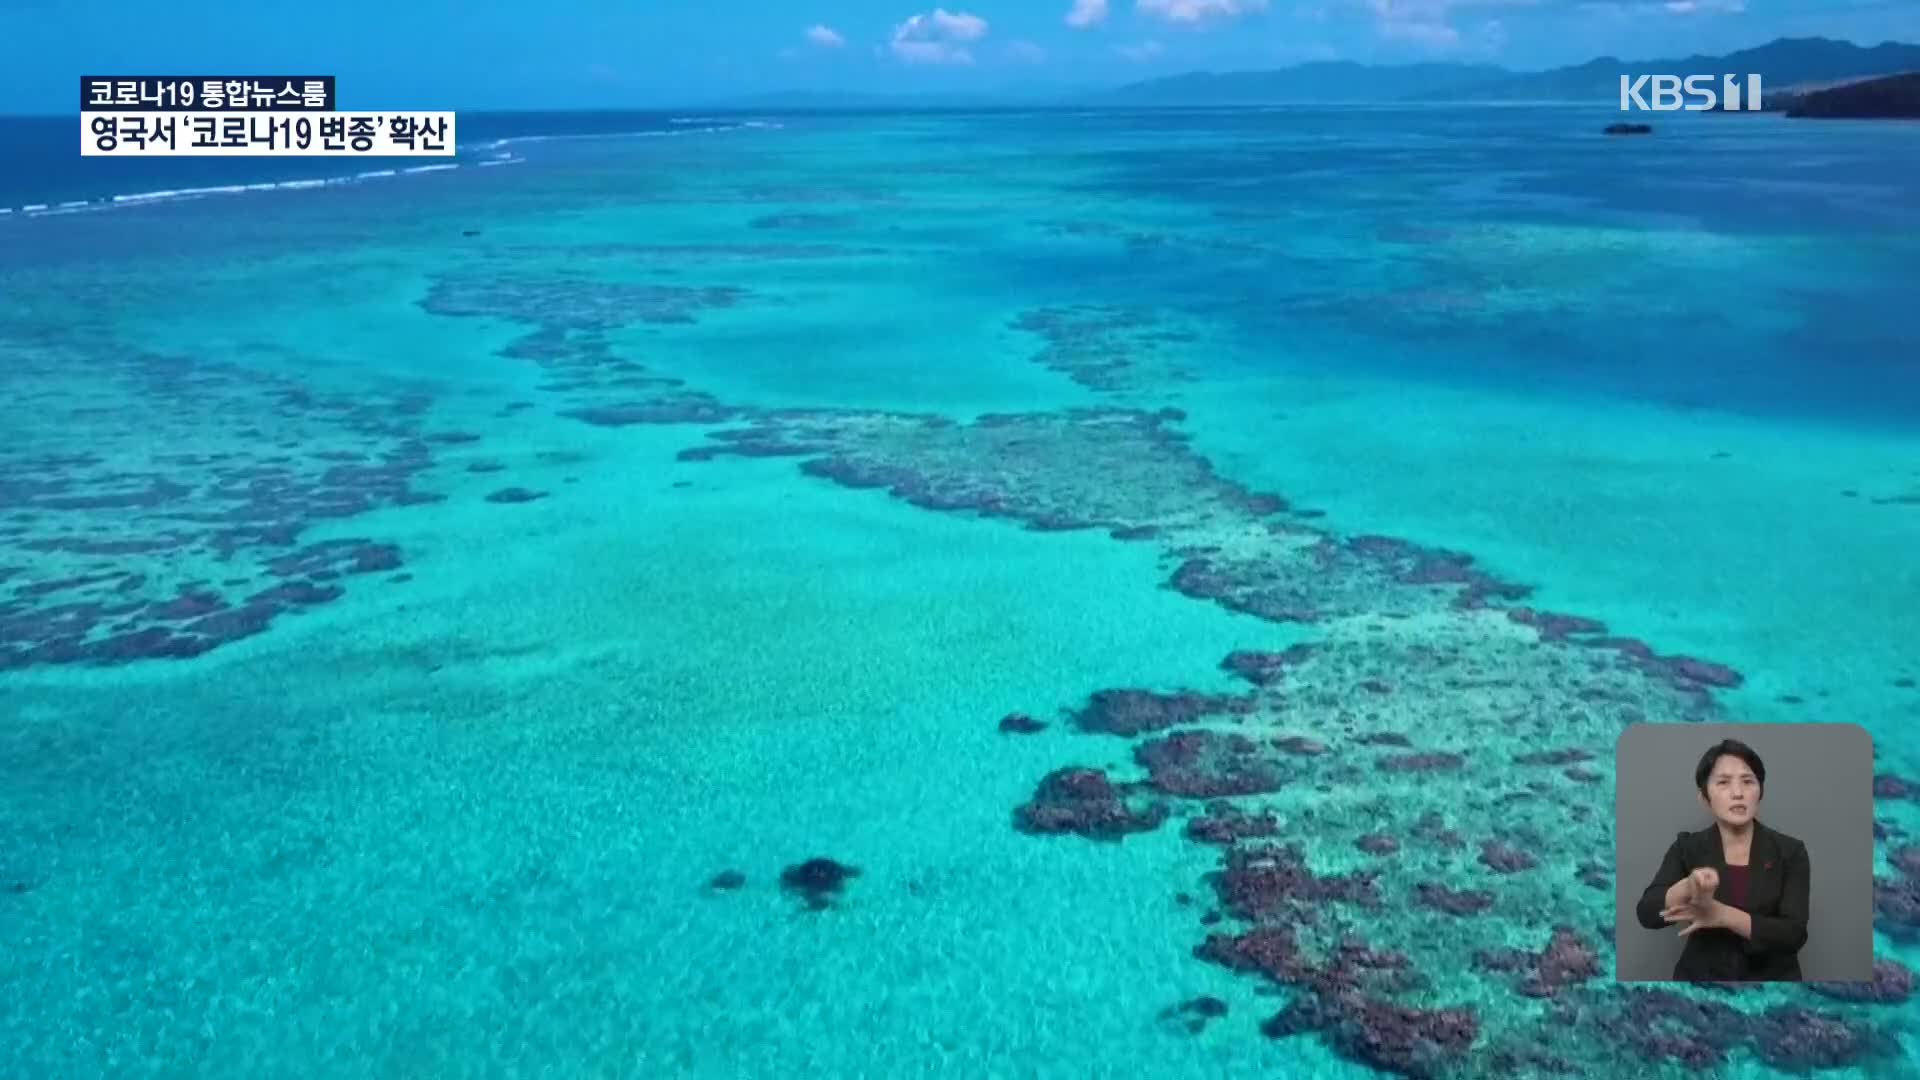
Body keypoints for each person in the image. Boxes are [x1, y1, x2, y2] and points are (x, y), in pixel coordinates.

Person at [1634, 738, 1811, 981]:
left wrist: (1722, 915)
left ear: (1760, 792)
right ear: (1704, 797)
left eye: (1748, 782)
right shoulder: (1687, 848)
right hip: (1702, 983)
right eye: (1723, 783)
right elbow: (1647, 913)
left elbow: (1793, 934)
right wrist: (1687, 887)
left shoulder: (1790, 851)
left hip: (1773, 988)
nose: (1738, 793)